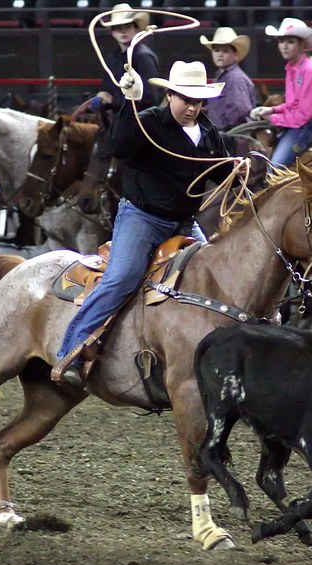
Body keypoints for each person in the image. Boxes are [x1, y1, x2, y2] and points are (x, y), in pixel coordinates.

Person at [51, 61, 232, 390]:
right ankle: (71, 351)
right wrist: (130, 102)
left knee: (217, 276)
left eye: (198, 101)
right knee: (122, 278)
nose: (192, 107)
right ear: (170, 95)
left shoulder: (208, 133)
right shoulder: (147, 122)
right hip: (142, 219)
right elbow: (118, 146)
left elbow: (221, 173)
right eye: (185, 99)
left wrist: (239, 165)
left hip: (183, 223)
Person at [250, 18, 312, 168]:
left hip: (306, 126)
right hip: (297, 124)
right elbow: (293, 104)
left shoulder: (310, 70)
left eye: (290, 42)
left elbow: (304, 114)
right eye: (281, 41)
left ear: (302, 45)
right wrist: (272, 109)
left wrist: (272, 118)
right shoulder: (293, 67)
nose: (284, 46)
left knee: (275, 167)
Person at [85, 4, 162, 115]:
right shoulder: (113, 57)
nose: (123, 31)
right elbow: (108, 88)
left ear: (136, 29)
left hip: (140, 122)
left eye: (127, 26)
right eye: (118, 28)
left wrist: (112, 100)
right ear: (113, 32)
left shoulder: (143, 56)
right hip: (120, 119)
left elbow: (151, 98)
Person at [200, 26, 257, 132]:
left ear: (235, 55)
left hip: (233, 134)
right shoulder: (221, 76)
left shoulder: (236, 79)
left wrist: (220, 123)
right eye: (216, 50)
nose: (220, 54)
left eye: (225, 51)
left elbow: (241, 109)